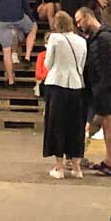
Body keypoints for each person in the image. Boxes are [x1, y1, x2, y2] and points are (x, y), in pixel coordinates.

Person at [75, 7, 111, 177]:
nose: (79, 25)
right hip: (101, 87)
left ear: (88, 17)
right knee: (106, 123)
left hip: (105, 87)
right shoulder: (98, 38)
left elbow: (109, 67)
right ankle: (109, 161)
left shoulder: (104, 38)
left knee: (110, 123)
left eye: (79, 21)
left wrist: (100, 89)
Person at [42, 11, 88, 179]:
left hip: (57, 85)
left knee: (57, 125)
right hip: (76, 85)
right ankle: (76, 168)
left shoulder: (55, 39)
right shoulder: (82, 41)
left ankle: (59, 168)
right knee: (75, 126)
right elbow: (81, 66)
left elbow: (48, 64)